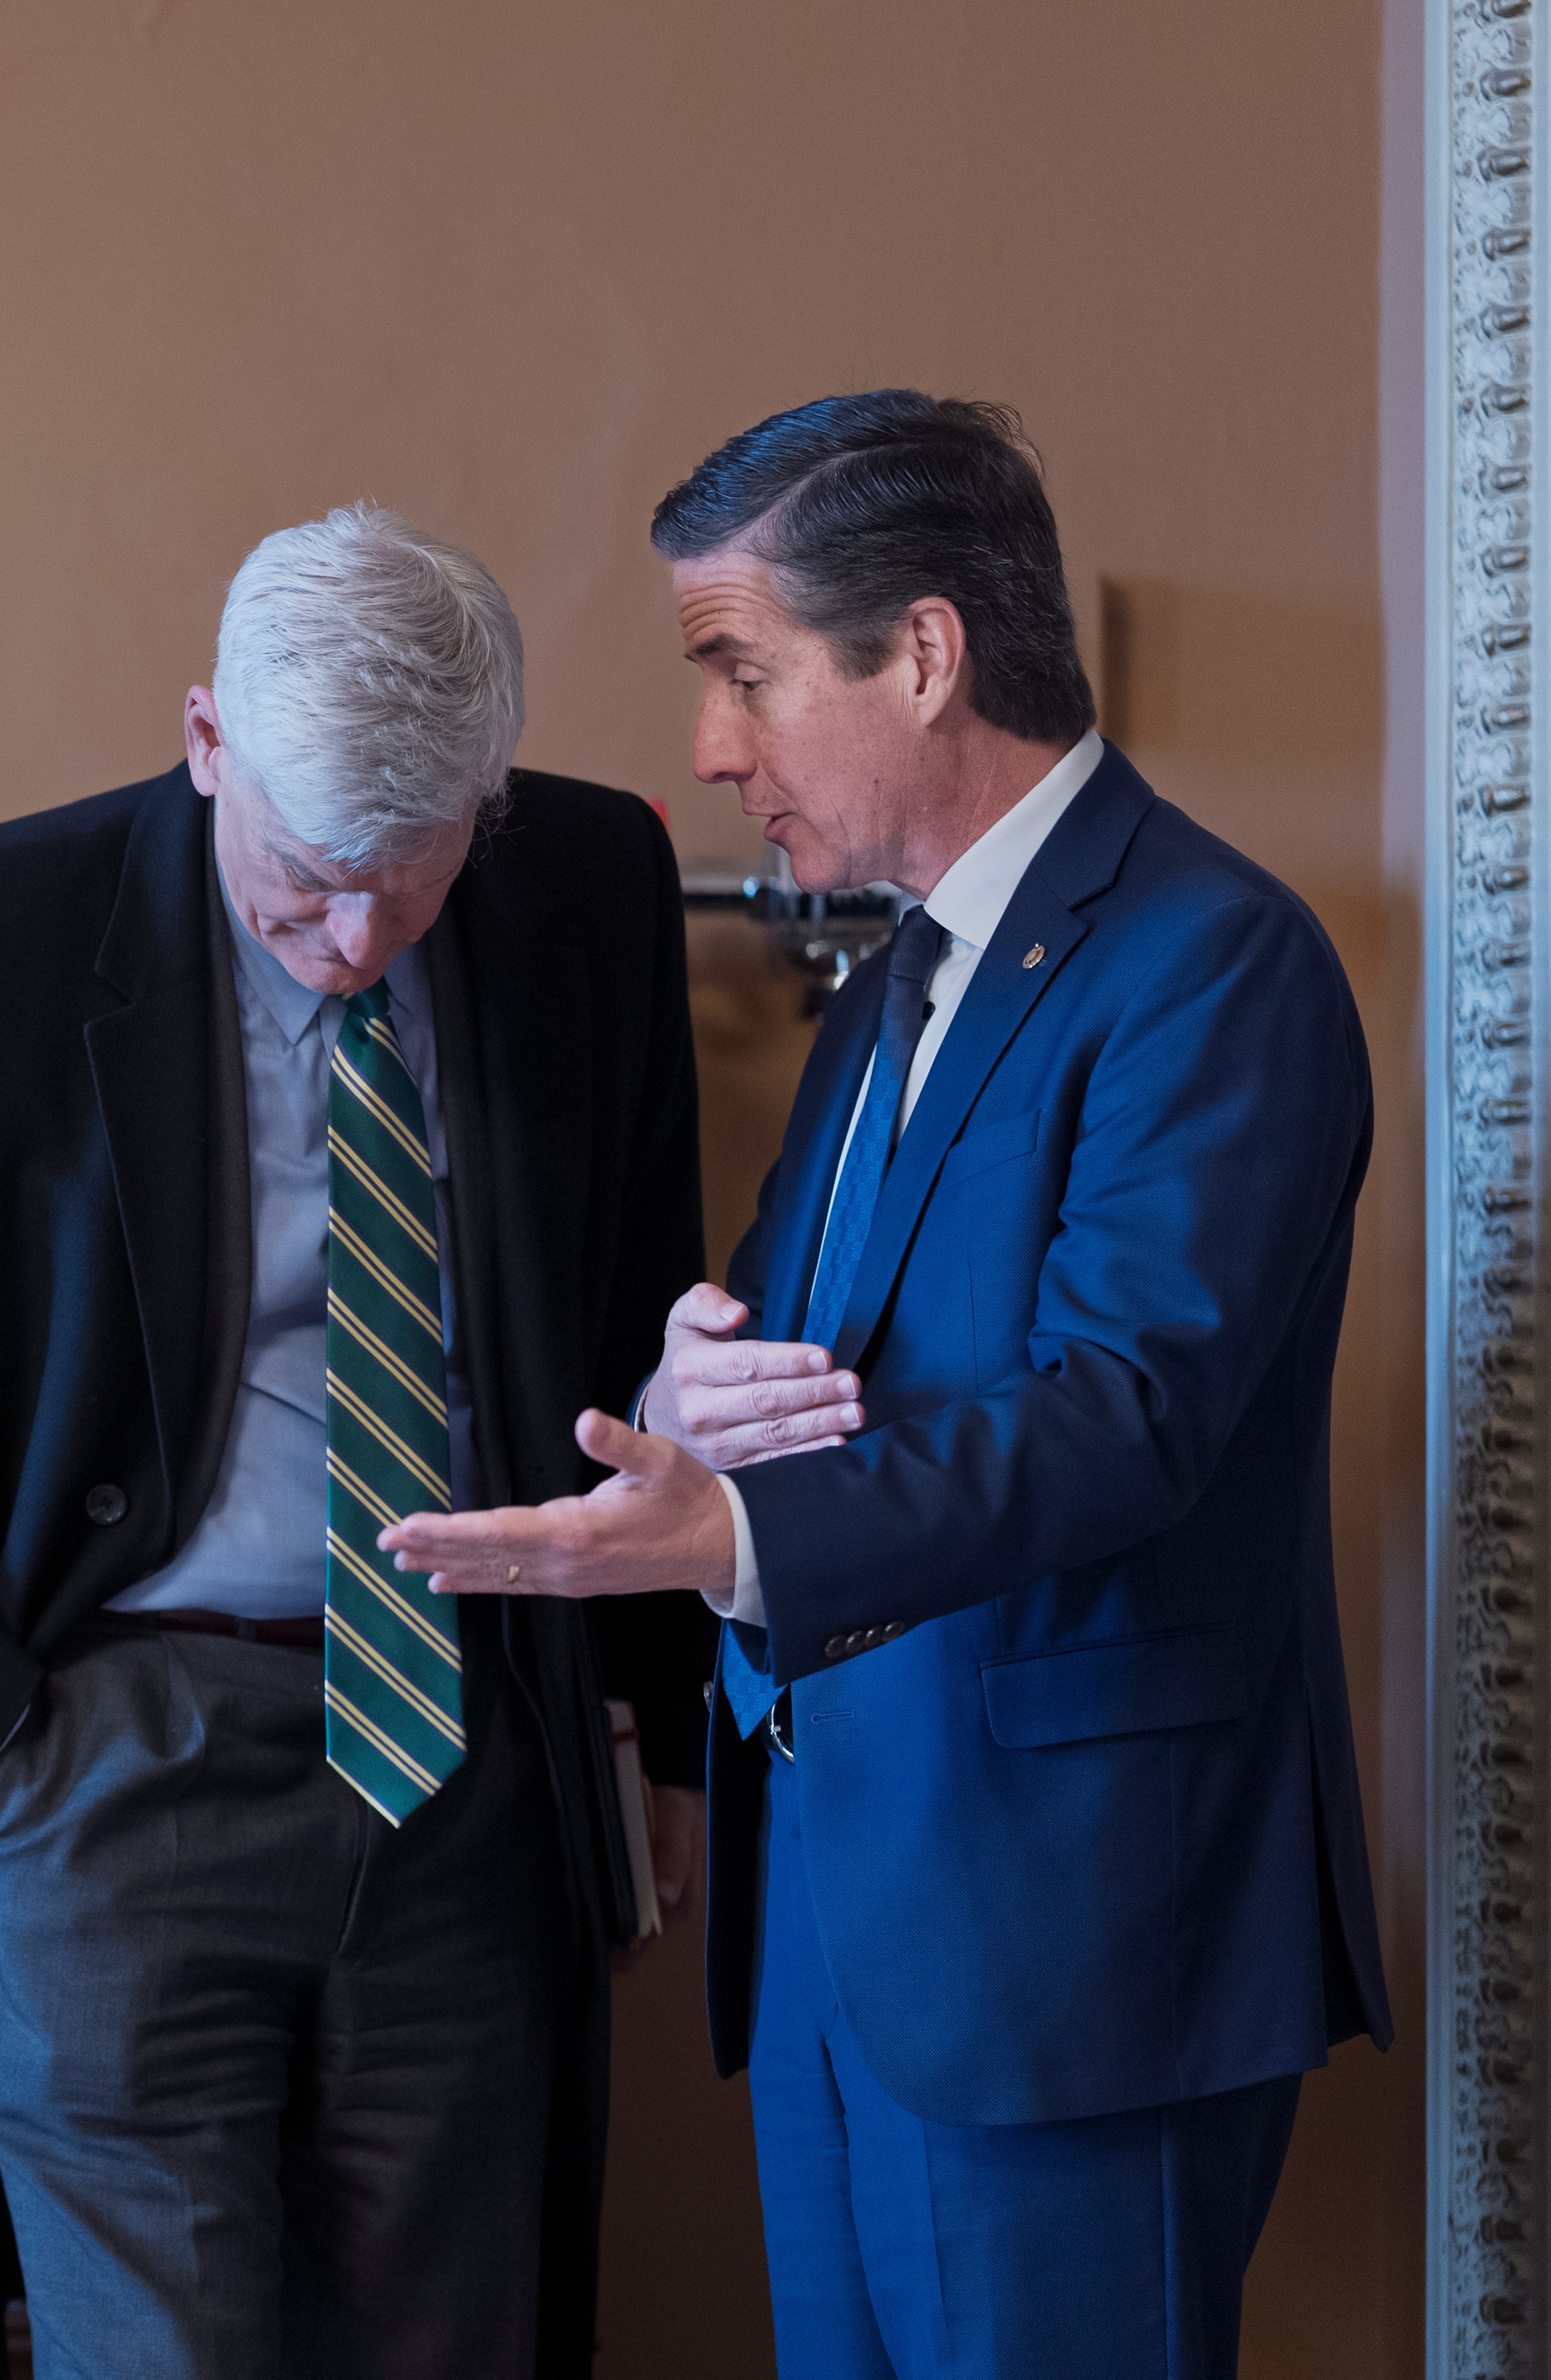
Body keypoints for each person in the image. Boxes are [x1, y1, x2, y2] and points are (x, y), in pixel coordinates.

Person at [382, 393, 1389, 2379]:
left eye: (738, 669)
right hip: (843, 1927)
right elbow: (814, 1366)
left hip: (1067, 1956)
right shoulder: (886, 992)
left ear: (921, 653)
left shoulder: (1214, 963)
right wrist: (695, 1381)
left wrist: (735, 1527)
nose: (708, 744)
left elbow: (1130, 1406)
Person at [0, 505, 715, 2380]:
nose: (347, 939)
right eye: (304, 878)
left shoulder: (588, 884)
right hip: (105, 1752)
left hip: (467, 1744)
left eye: (408, 886)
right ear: (203, 742)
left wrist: (652, 1728)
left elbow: (645, 1320)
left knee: (456, 2333)